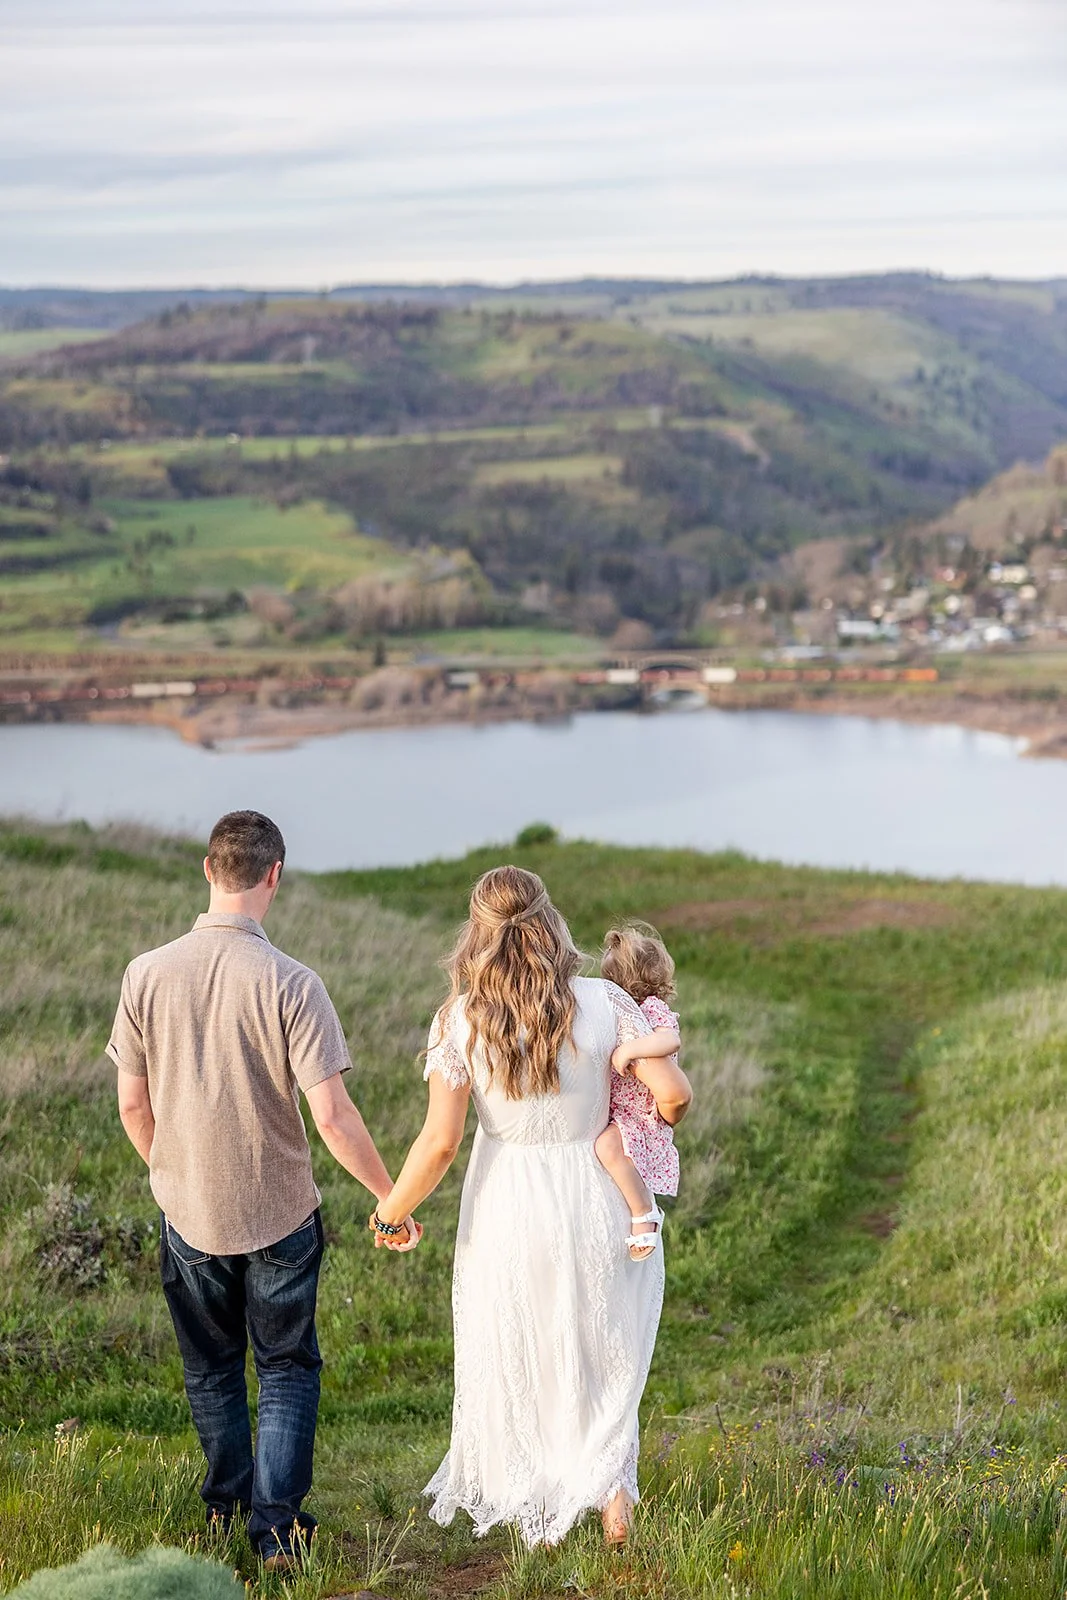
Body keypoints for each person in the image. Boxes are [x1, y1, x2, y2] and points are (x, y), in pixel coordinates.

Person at [108, 810, 419, 1573]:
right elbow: (335, 1119)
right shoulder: (293, 983)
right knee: (283, 1368)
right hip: (280, 1213)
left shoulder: (145, 973)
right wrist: (391, 1197)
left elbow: (131, 1106)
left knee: (210, 1369)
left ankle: (223, 1512)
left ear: (209, 871)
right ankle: (276, 1533)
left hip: (188, 1215)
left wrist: (170, 1172)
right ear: (273, 875)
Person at [370, 866, 692, 1548]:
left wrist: (390, 1213)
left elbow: (438, 1144)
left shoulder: (458, 1021)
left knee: (522, 1338)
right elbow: (669, 1094)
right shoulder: (606, 1001)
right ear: (551, 923)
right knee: (604, 1344)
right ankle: (613, 1505)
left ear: (476, 935)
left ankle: (536, 1493)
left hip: (506, 1201)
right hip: (600, 1188)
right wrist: (650, 1120)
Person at [595, 923, 682, 1260]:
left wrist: (629, 1051)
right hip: (623, 1109)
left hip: (641, 1112)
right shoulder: (617, 1013)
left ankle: (644, 1213)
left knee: (607, 1145)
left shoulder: (652, 1010)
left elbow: (670, 1039)